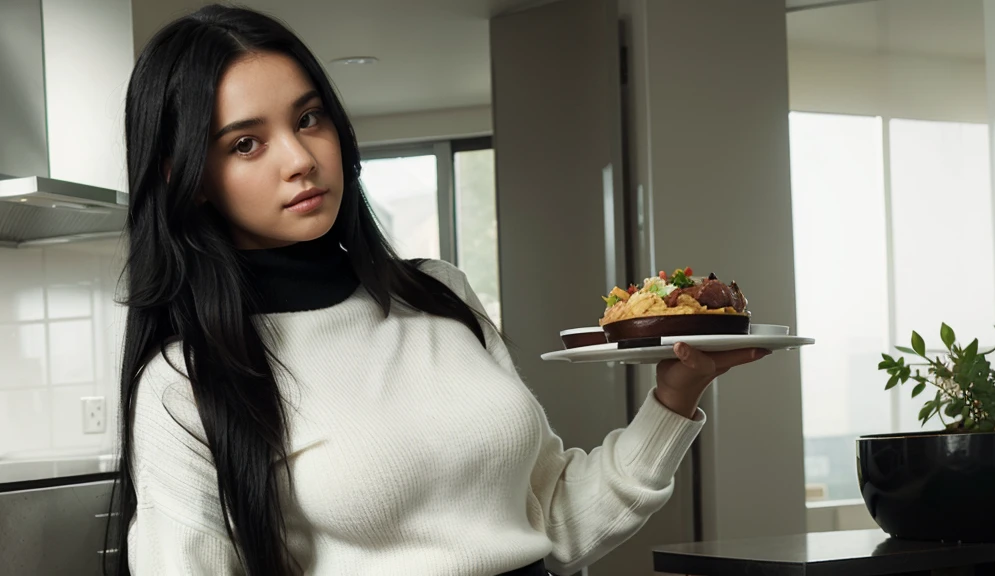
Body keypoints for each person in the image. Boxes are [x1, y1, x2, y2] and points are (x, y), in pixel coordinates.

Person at [107, 4, 770, 576]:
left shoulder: (436, 293)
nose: (300, 159)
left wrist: (675, 397)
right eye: (247, 143)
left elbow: (558, 522)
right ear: (187, 176)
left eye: (309, 119)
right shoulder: (184, 383)